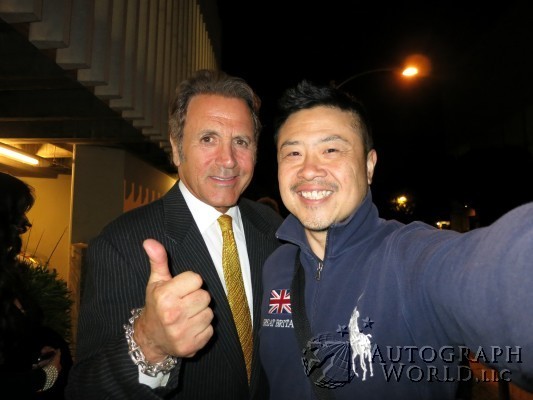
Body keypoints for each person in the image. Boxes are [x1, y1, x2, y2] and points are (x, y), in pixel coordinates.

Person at [259, 80, 533, 400]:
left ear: (369, 165)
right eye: (293, 152)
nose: (308, 170)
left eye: (331, 150)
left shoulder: (407, 257)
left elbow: (497, 271)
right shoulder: (276, 266)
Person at [66, 69, 283, 399]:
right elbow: (86, 389)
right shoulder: (121, 244)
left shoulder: (273, 228)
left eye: (241, 142)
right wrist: (149, 344)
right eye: (208, 139)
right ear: (177, 148)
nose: (228, 160)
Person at [0, 172, 71, 399]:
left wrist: (37, 351)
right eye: (18, 216)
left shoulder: (8, 273)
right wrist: (47, 376)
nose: (25, 224)